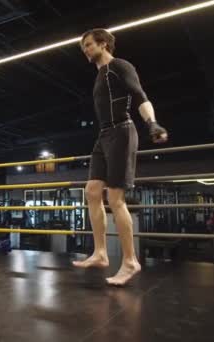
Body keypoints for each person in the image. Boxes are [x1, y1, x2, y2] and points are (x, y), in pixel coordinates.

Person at [72, 28, 169, 286]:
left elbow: (139, 96)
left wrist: (153, 124)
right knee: (92, 191)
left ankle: (130, 262)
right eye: (84, 47)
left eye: (89, 45)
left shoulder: (119, 66)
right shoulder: (99, 75)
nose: (86, 50)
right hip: (104, 136)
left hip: (122, 132)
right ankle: (101, 253)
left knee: (115, 198)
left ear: (103, 44)